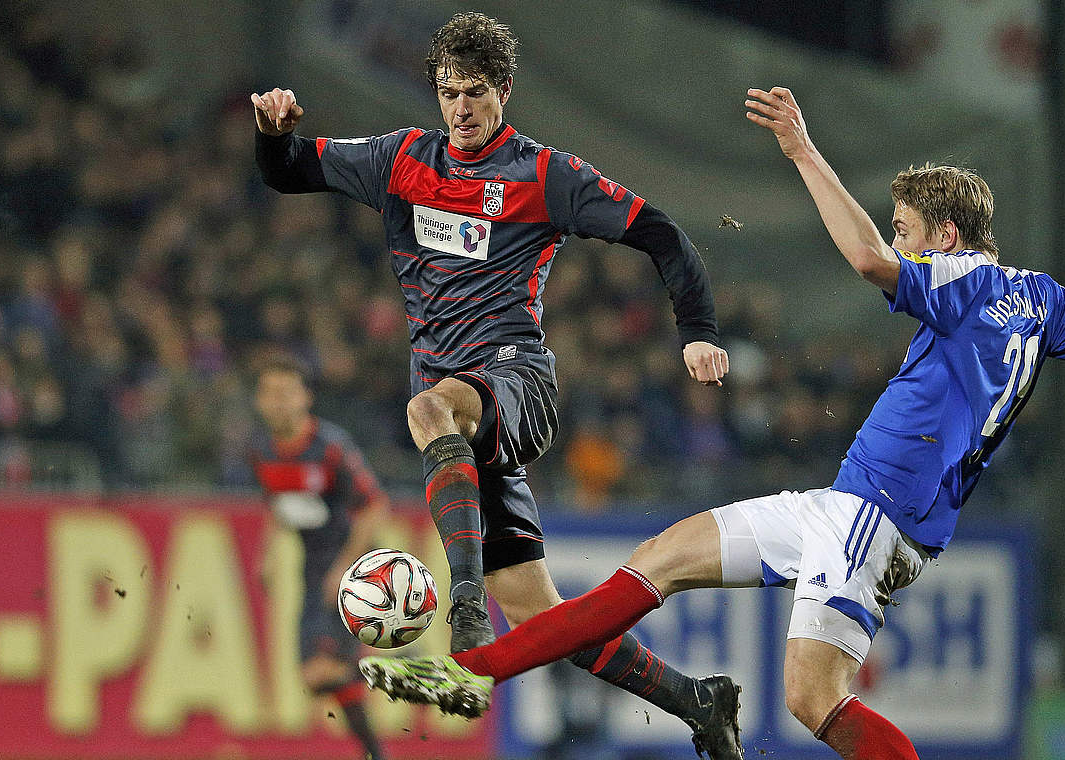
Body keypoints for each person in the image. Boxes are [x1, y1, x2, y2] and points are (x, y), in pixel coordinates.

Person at [357, 86, 1065, 760]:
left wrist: (804, 152)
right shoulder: (1048, 302)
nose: (902, 245)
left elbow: (870, 261)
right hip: (849, 507)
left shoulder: (966, 278)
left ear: (946, 238)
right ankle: (476, 671)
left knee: (814, 702)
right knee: (660, 558)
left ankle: (477, 670)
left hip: (873, 519)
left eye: (910, 230)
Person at [250, 11, 740, 757]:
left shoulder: (544, 175)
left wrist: (697, 328)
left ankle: (465, 605)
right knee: (547, 625)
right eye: (448, 93)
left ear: (504, 92)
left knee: (426, 404)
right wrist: (275, 134)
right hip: (455, 427)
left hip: (515, 381)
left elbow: (660, 231)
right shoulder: (400, 159)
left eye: (475, 93)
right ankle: (696, 699)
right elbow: (290, 173)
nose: (461, 109)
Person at [247, 357, 389, 760]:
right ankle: (378, 747)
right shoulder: (261, 451)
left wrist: (345, 567)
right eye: (270, 394)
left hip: (352, 566)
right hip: (312, 568)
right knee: (317, 681)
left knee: (319, 671)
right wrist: (268, 556)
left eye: (287, 393)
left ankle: (381, 652)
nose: (279, 403)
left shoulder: (329, 447)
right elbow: (278, 504)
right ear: (259, 401)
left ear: (306, 398)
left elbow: (374, 507)